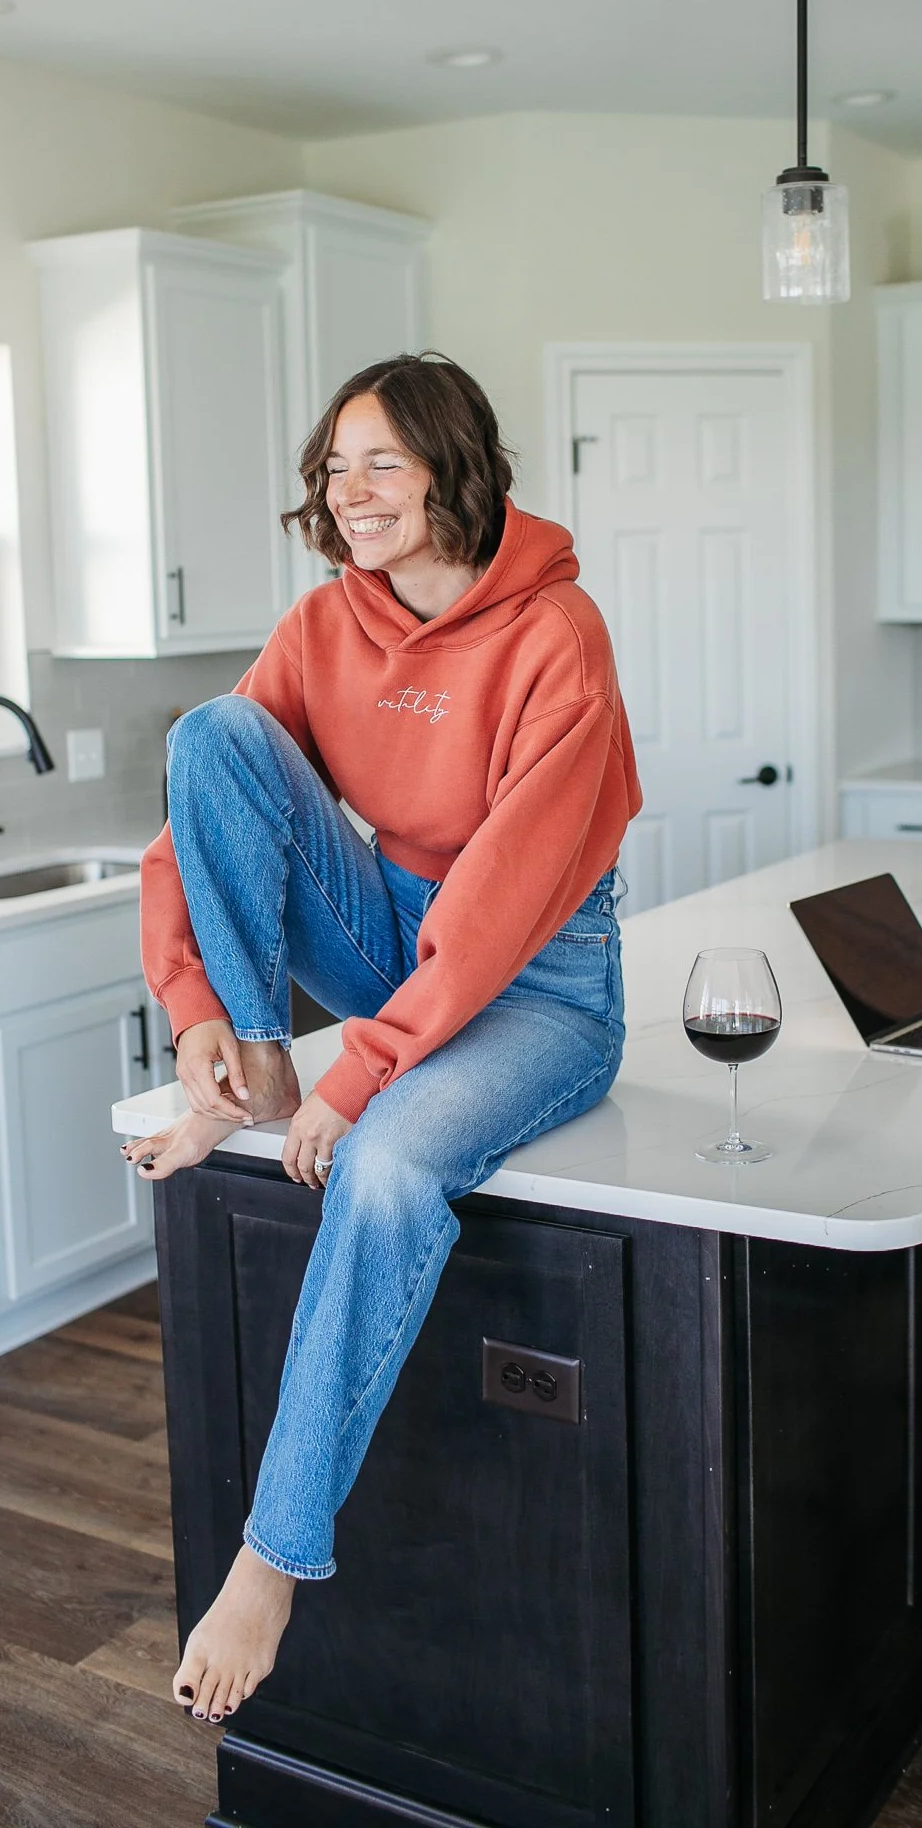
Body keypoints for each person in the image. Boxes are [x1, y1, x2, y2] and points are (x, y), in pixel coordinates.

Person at [128, 352, 640, 1725]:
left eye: (384, 465)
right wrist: (203, 1020)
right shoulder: (326, 621)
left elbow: (495, 913)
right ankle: (258, 1065)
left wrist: (367, 1075)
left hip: (541, 984)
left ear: (452, 468)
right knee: (211, 731)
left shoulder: (557, 633)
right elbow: (196, 825)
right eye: (336, 466)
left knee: (392, 1171)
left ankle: (274, 1556)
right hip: (396, 942)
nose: (351, 493)